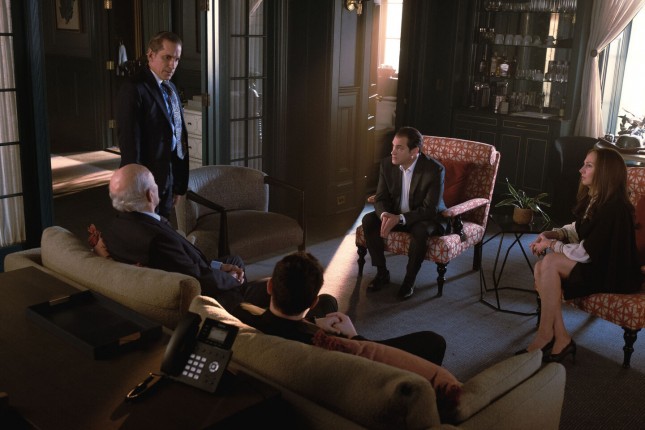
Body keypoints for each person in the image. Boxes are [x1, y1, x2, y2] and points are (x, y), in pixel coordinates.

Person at [522, 147, 642, 362]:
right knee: (542, 266)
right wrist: (554, 233)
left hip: (615, 274)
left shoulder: (614, 208)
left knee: (549, 262)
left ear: (604, 172)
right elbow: (580, 229)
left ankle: (546, 336)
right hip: (600, 265)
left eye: (588, 165)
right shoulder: (597, 199)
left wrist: (552, 244)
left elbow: (586, 252)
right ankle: (559, 337)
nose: (581, 170)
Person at [102, 164, 269, 312]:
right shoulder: (157, 239)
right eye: (154, 183)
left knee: (234, 262)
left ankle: (242, 299)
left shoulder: (114, 228)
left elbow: (182, 264)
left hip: (188, 272)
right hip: (201, 296)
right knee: (261, 288)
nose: (158, 187)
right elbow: (196, 277)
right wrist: (230, 279)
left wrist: (219, 266)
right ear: (150, 195)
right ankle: (241, 311)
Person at [235, 251, 447, 365]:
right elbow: (371, 356)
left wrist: (315, 322)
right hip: (350, 350)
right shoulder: (330, 345)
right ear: (311, 303)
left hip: (295, 325)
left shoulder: (240, 317)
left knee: (329, 301)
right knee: (434, 341)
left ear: (270, 287)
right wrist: (354, 337)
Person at [361, 126, 447, 299]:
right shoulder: (387, 164)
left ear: (414, 151)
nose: (393, 152)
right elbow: (380, 198)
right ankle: (382, 273)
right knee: (369, 220)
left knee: (420, 231)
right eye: (393, 146)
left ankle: (409, 281)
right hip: (395, 213)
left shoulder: (434, 170)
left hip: (424, 218)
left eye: (399, 148)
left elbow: (430, 209)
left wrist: (399, 219)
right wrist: (385, 215)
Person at [117, 31, 188, 218]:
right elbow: (130, 144)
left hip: (167, 179)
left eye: (177, 59)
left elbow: (178, 136)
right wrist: (137, 190)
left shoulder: (170, 87)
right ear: (150, 55)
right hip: (144, 185)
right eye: (167, 57)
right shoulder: (133, 89)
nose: (172, 65)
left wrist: (178, 184)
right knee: (146, 232)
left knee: (163, 229)